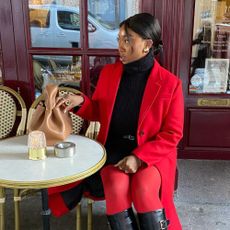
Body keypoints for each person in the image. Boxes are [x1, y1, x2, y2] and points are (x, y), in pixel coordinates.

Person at [49, 13, 184, 230]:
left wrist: (139, 158)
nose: (120, 45)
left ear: (147, 44)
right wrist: (80, 102)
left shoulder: (170, 84)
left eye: (127, 39)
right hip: (113, 150)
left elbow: (172, 135)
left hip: (151, 155)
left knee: (143, 186)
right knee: (115, 181)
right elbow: (99, 111)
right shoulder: (109, 73)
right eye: (119, 38)